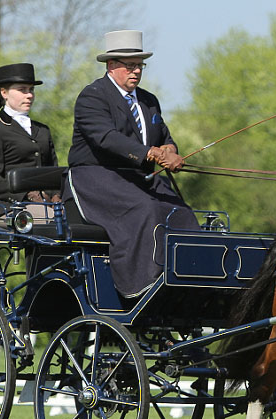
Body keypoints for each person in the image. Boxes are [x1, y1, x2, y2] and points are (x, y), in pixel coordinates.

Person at [64, 29, 199, 298]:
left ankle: (190, 278)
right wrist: (153, 154)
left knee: (182, 212)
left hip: (138, 177)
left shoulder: (148, 101)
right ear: (111, 65)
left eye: (140, 65)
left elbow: (163, 136)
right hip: (95, 176)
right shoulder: (92, 96)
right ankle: (141, 284)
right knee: (145, 208)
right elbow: (106, 138)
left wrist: (170, 150)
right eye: (130, 66)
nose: (136, 71)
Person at [0, 63, 59, 218]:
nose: (29, 95)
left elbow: (53, 170)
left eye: (31, 90)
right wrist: (27, 195)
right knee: (55, 222)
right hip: (9, 208)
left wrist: (56, 195)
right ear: (4, 93)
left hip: (47, 204)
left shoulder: (43, 130)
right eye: (22, 90)